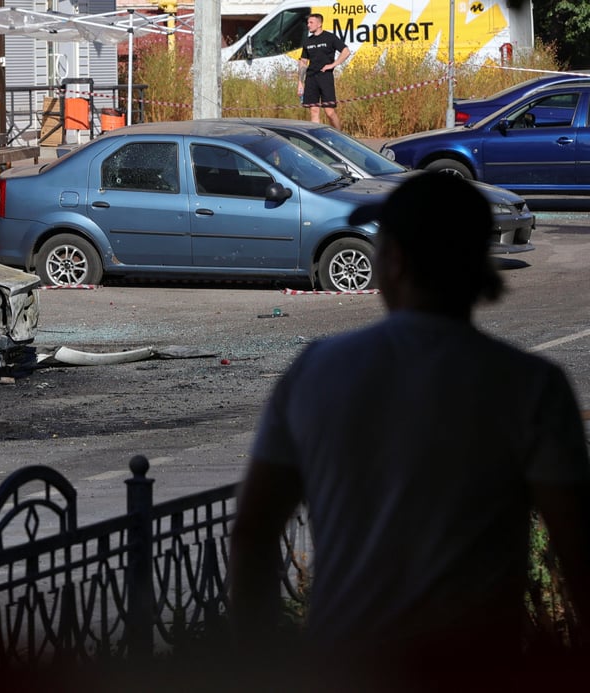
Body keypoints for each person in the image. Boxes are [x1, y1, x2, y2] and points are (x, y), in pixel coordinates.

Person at [228, 172, 590, 686]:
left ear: (394, 260)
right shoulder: (532, 387)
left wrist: (258, 662)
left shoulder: (316, 372)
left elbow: (253, 532)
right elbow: (576, 547)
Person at [298, 13, 350, 129]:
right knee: (314, 111)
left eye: (311, 22)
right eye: (308, 23)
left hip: (325, 78)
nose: (308, 25)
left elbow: (346, 51)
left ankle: (339, 136)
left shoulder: (329, 37)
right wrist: (300, 82)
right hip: (311, 79)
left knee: (329, 112)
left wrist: (333, 65)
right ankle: (317, 142)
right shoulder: (308, 41)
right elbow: (303, 62)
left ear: (319, 24)